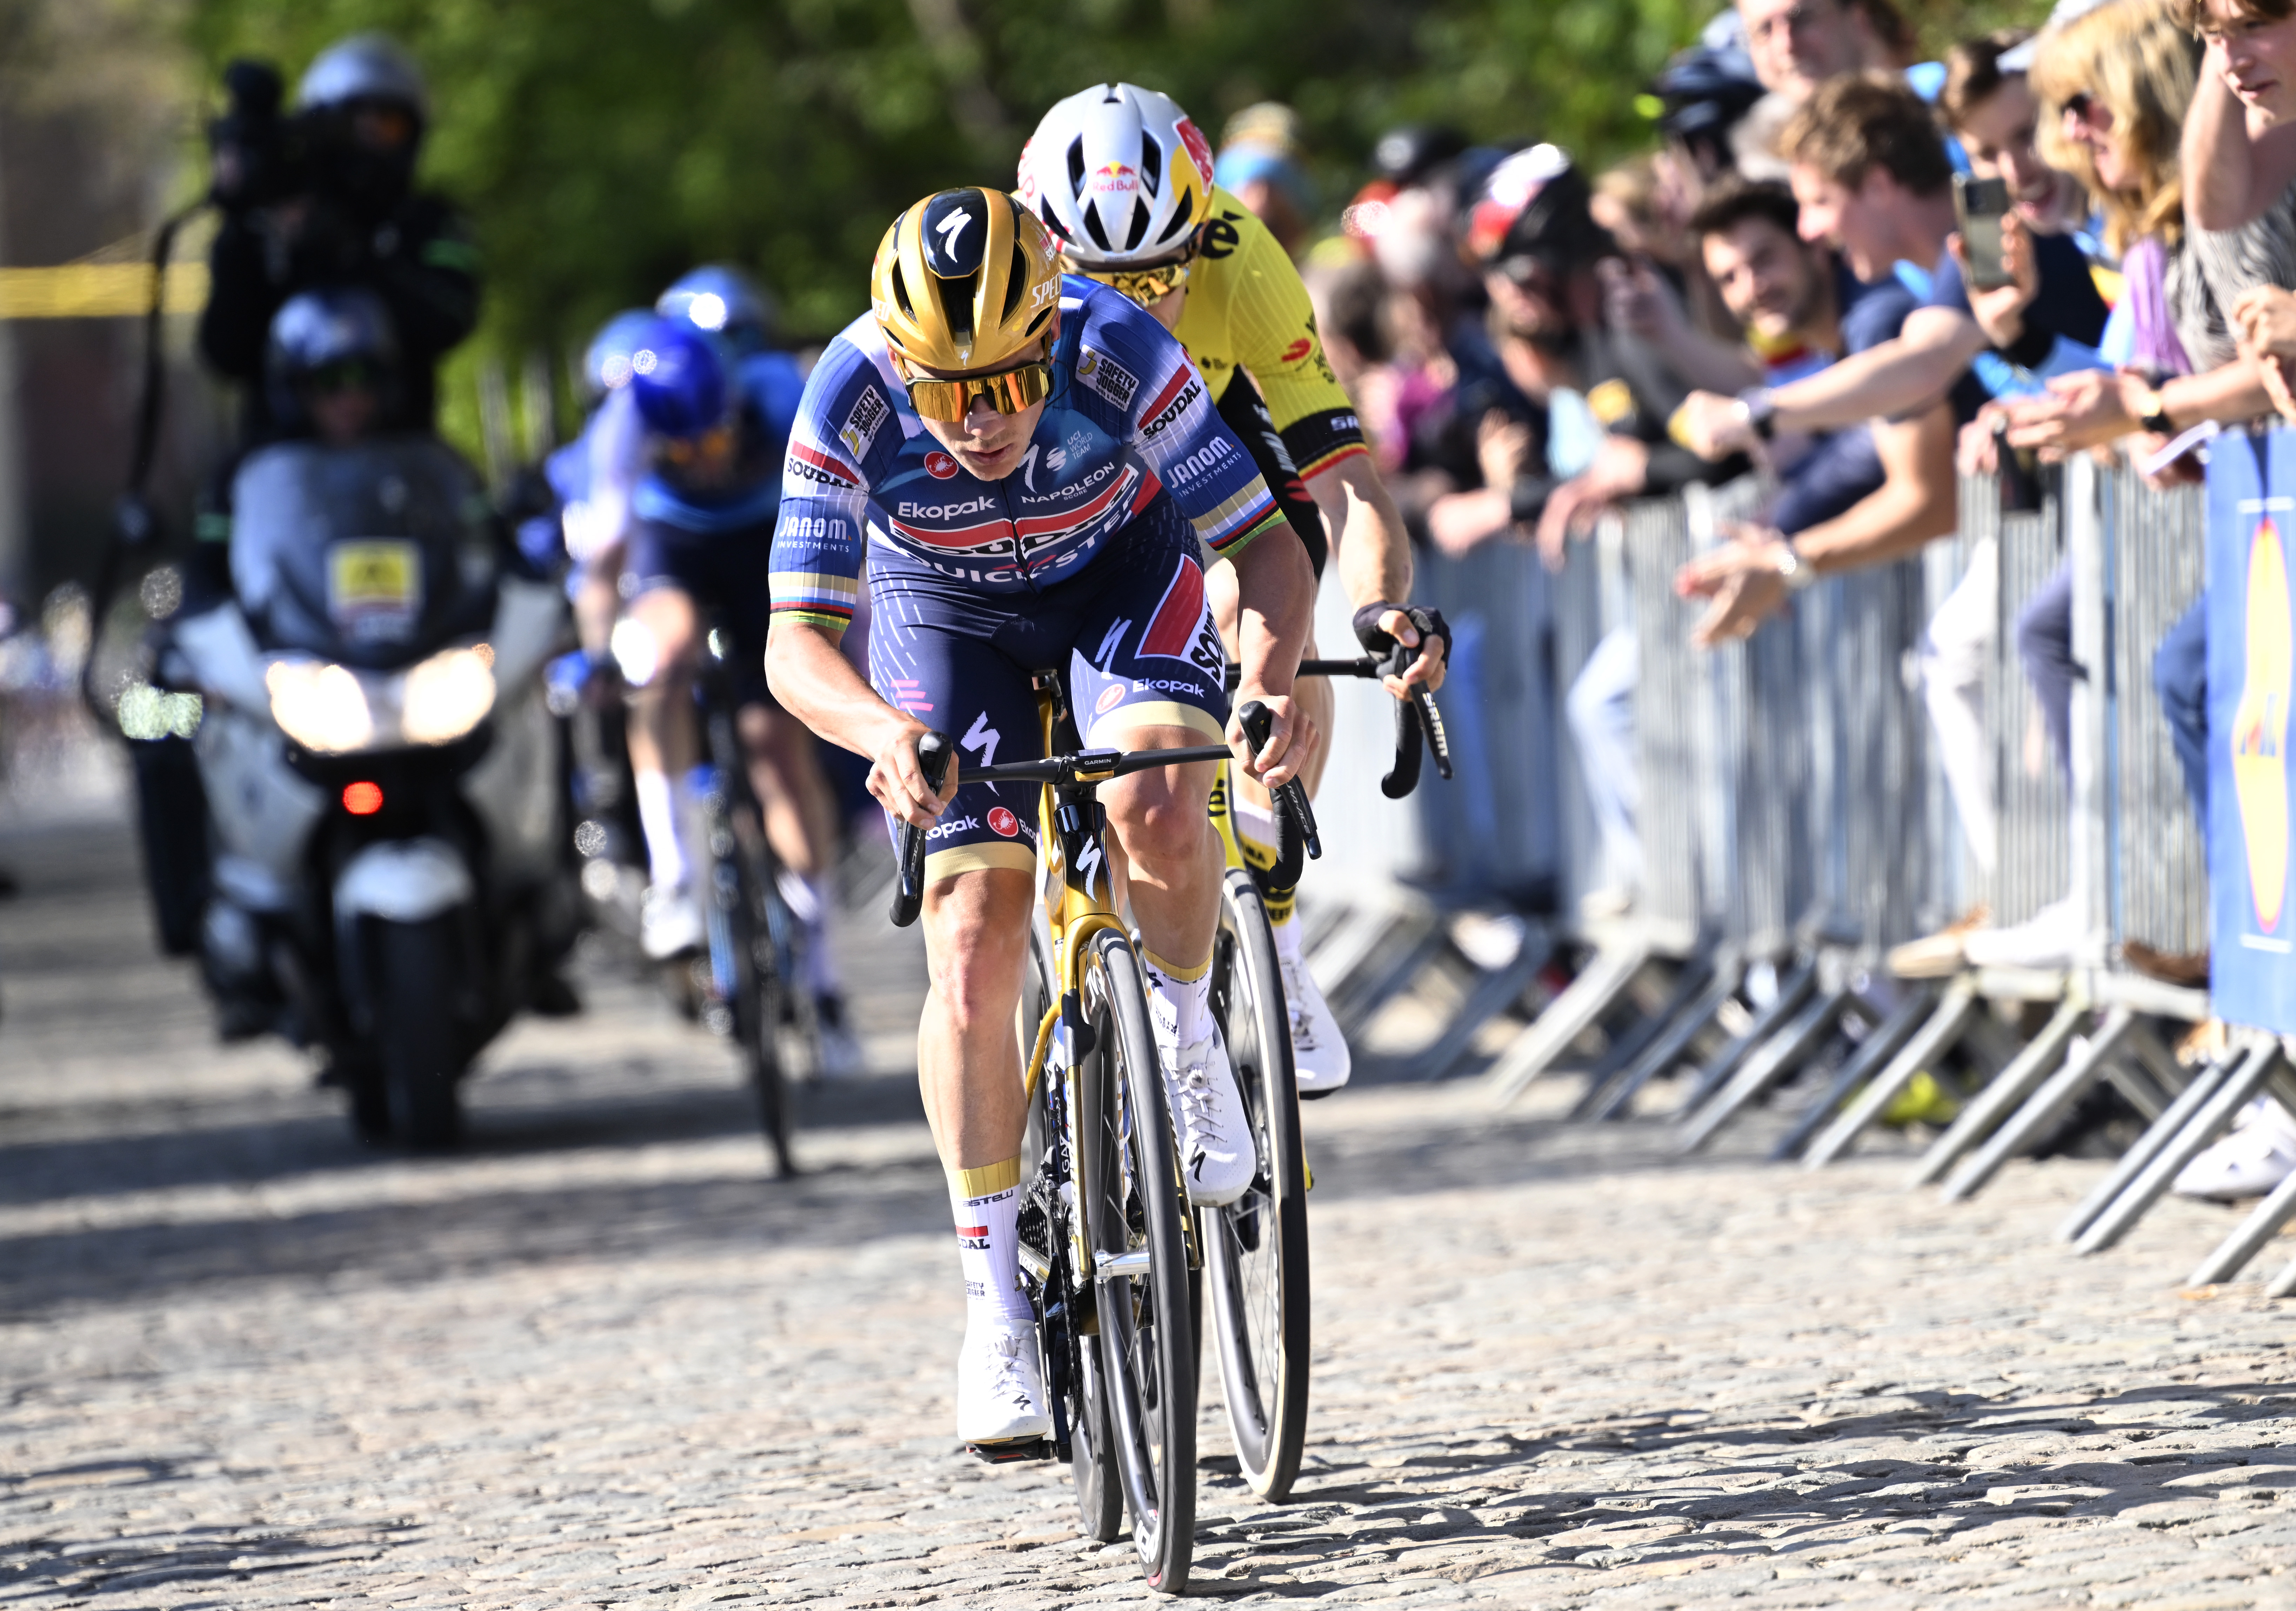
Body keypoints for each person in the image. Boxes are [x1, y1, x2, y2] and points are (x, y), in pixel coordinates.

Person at [763, 186, 1315, 1446]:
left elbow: (1267, 549)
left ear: (1050, 333)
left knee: (1164, 797)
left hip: (1121, 574)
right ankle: (994, 1308)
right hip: (940, 614)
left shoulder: (1119, 345)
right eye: (950, 395)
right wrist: (878, 735)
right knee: (970, 920)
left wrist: (1270, 681)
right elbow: (794, 642)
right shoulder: (846, 392)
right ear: (901, 364)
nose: (987, 420)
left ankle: (1180, 1032)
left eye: (1013, 381)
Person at [1017, 83, 1446, 1095]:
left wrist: (1380, 610)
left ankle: (1278, 927)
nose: (1135, 308)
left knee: (1267, 604)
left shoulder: (1243, 258)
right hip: (1060, 482)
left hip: (1204, 448)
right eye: (1101, 279)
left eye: (1161, 273)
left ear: (1201, 233)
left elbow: (1346, 484)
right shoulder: (1011, 275)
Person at [613, 294, 861, 1072]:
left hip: (767, 534)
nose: (707, 460)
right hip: (675, 545)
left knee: (773, 743)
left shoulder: (781, 396)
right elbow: (598, 560)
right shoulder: (619, 432)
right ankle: (674, 876)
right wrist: (599, 648)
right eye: (681, 452)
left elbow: (851, 504)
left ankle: (820, 975)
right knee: (663, 653)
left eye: (716, 438)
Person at [1667, 177, 1957, 647]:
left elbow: (1926, 501)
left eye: (1764, 259)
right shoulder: (1846, 330)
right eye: (1729, 278)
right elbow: (1854, 454)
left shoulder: (1877, 319)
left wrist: (1786, 554)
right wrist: (1779, 529)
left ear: (1814, 246)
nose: (1752, 288)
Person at [199, 35, 479, 446]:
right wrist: (246, 226)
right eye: (351, 126)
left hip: (403, 466)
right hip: (278, 471)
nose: (368, 144)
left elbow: (450, 318)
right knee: (216, 508)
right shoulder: (274, 218)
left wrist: (355, 254)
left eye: (388, 126)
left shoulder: (428, 222)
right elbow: (225, 352)